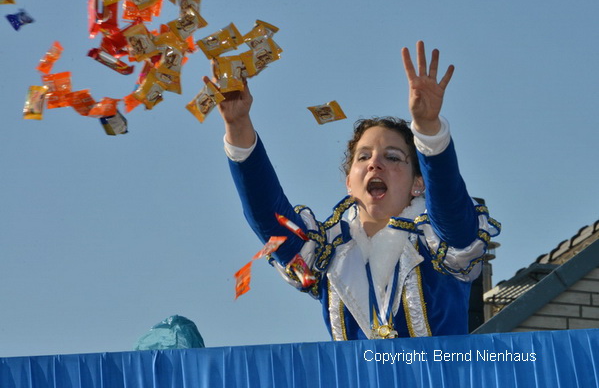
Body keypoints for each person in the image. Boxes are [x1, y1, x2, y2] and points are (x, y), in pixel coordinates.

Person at [208, 41, 500, 340]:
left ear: (418, 182)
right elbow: (271, 219)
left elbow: (449, 203)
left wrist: (428, 128)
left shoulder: (440, 242)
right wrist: (238, 125)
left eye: (393, 157)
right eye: (364, 156)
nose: (375, 163)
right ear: (349, 182)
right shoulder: (326, 254)